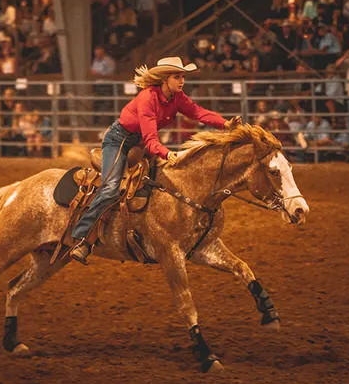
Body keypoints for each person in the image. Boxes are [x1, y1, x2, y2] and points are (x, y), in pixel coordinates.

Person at [70, 56, 242, 264]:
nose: (182, 81)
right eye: (177, 77)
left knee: (162, 181)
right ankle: (81, 236)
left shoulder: (177, 98)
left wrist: (225, 124)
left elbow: (198, 112)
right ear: (164, 79)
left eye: (183, 77)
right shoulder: (148, 98)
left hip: (140, 142)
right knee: (111, 187)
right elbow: (151, 140)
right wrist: (167, 153)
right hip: (119, 141)